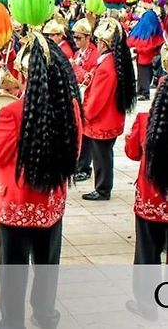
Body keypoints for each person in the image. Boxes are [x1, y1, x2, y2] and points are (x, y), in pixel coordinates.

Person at [0, 32, 82, 329]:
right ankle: (45, 317)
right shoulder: (70, 107)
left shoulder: (11, 112)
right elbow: (75, 151)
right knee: (47, 269)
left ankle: (12, 322)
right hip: (51, 204)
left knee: (13, 272)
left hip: (16, 206)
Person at [124, 44, 168, 321]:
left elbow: (131, 152)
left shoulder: (145, 121)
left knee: (147, 256)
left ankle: (147, 305)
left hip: (150, 202)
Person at [82, 17, 136, 201]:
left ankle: (103, 188)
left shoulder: (106, 66)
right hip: (110, 118)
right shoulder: (113, 62)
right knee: (104, 154)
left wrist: (85, 113)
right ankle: (103, 186)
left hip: (101, 121)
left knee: (101, 157)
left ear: (104, 43)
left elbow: (98, 98)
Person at [70, 18, 99, 183]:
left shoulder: (94, 55)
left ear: (88, 37)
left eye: (79, 38)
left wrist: (75, 68)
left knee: (86, 134)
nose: (76, 41)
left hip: (87, 97)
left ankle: (84, 167)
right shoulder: (77, 53)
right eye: (74, 37)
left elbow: (90, 77)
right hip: (77, 95)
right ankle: (78, 163)